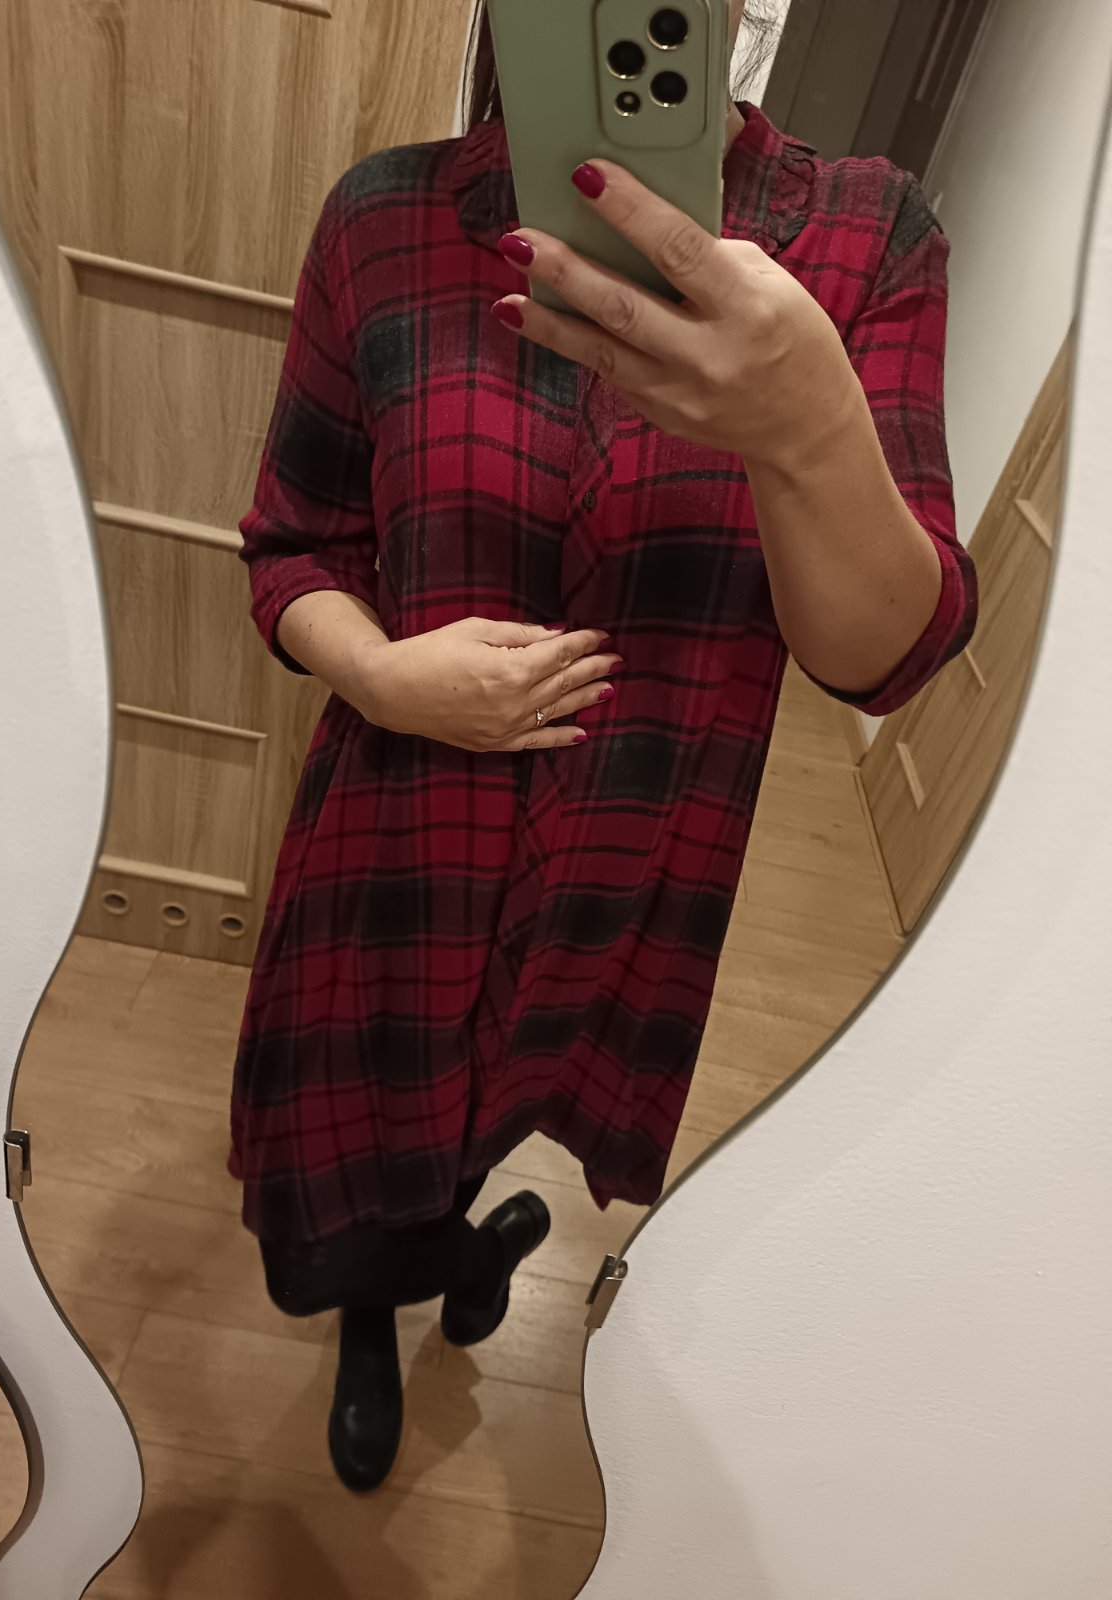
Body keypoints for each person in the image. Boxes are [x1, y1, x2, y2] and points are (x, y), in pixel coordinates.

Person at [230, 0, 978, 1493]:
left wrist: (805, 420)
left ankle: (469, 1245)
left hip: (630, 853)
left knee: (488, 1115)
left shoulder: (862, 241)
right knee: (332, 1205)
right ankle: (407, 1295)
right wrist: (380, 674)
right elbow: (293, 541)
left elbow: (883, 656)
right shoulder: (384, 219)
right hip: (401, 830)